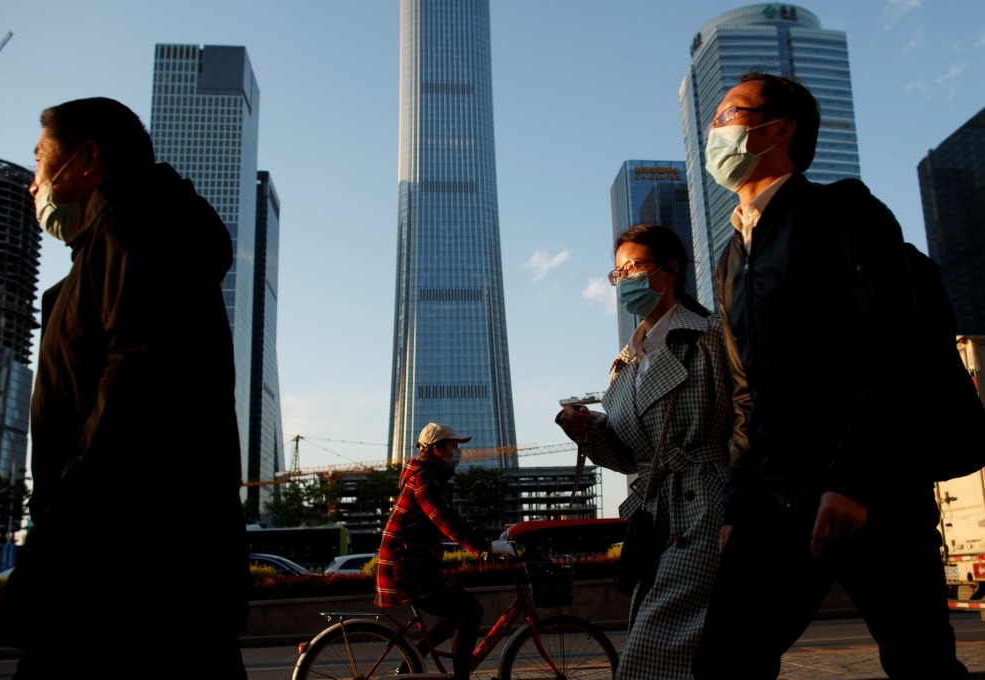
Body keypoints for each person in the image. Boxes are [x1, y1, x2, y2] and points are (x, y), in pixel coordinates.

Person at [692, 72, 968, 679]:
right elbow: (747, 394)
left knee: (919, 659)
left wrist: (852, 477)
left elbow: (894, 346)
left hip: (872, 490)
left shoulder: (843, 210)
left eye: (729, 115)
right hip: (775, 495)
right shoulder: (730, 257)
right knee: (725, 660)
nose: (714, 130)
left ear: (779, 129)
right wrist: (738, 506)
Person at [0, 98, 250, 678]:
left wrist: (74, 495)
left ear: (86, 159)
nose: (35, 185)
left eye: (39, 162)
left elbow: (136, 374)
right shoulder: (119, 241)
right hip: (143, 554)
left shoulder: (135, 235)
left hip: (119, 558)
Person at [554, 223, 733, 680]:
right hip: (656, 519)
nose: (625, 280)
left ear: (669, 271)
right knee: (674, 650)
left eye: (635, 266)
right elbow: (632, 459)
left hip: (708, 506)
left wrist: (739, 506)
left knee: (655, 653)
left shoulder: (710, 335)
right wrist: (588, 431)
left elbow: (748, 421)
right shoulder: (623, 363)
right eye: (618, 273)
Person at [374, 422, 515, 680]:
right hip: (407, 565)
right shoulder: (424, 477)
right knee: (469, 611)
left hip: (414, 562)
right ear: (437, 448)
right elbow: (444, 519)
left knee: (458, 612)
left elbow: (442, 521)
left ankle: (410, 661)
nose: (457, 452)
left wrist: (484, 544)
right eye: (453, 446)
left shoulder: (426, 474)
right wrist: (487, 546)